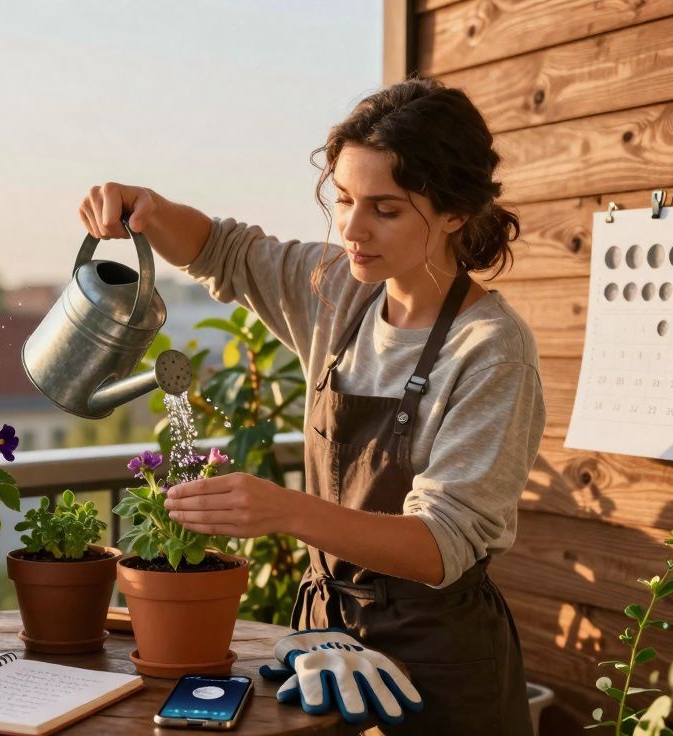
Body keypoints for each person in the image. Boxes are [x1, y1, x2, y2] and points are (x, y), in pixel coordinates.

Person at [78, 77, 545, 735]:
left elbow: (443, 542)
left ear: (455, 213)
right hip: (326, 650)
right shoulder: (337, 291)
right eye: (346, 199)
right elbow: (224, 252)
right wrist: (144, 207)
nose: (351, 228)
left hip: (439, 668)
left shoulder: (491, 350)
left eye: (385, 209)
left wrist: (284, 510)